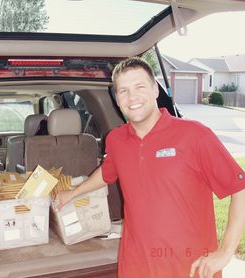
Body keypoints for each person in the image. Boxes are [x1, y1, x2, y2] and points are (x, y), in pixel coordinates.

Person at [55, 57, 245, 278]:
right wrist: (71, 194)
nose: (132, 97)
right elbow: (107, 173)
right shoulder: (117, 139)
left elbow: (238, 187)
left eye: (140, 86)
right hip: (135, 265)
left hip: (189, 267)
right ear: (116, 98)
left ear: (155, 90)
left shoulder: (194, 135)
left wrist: (225, 252)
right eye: (123, 91)